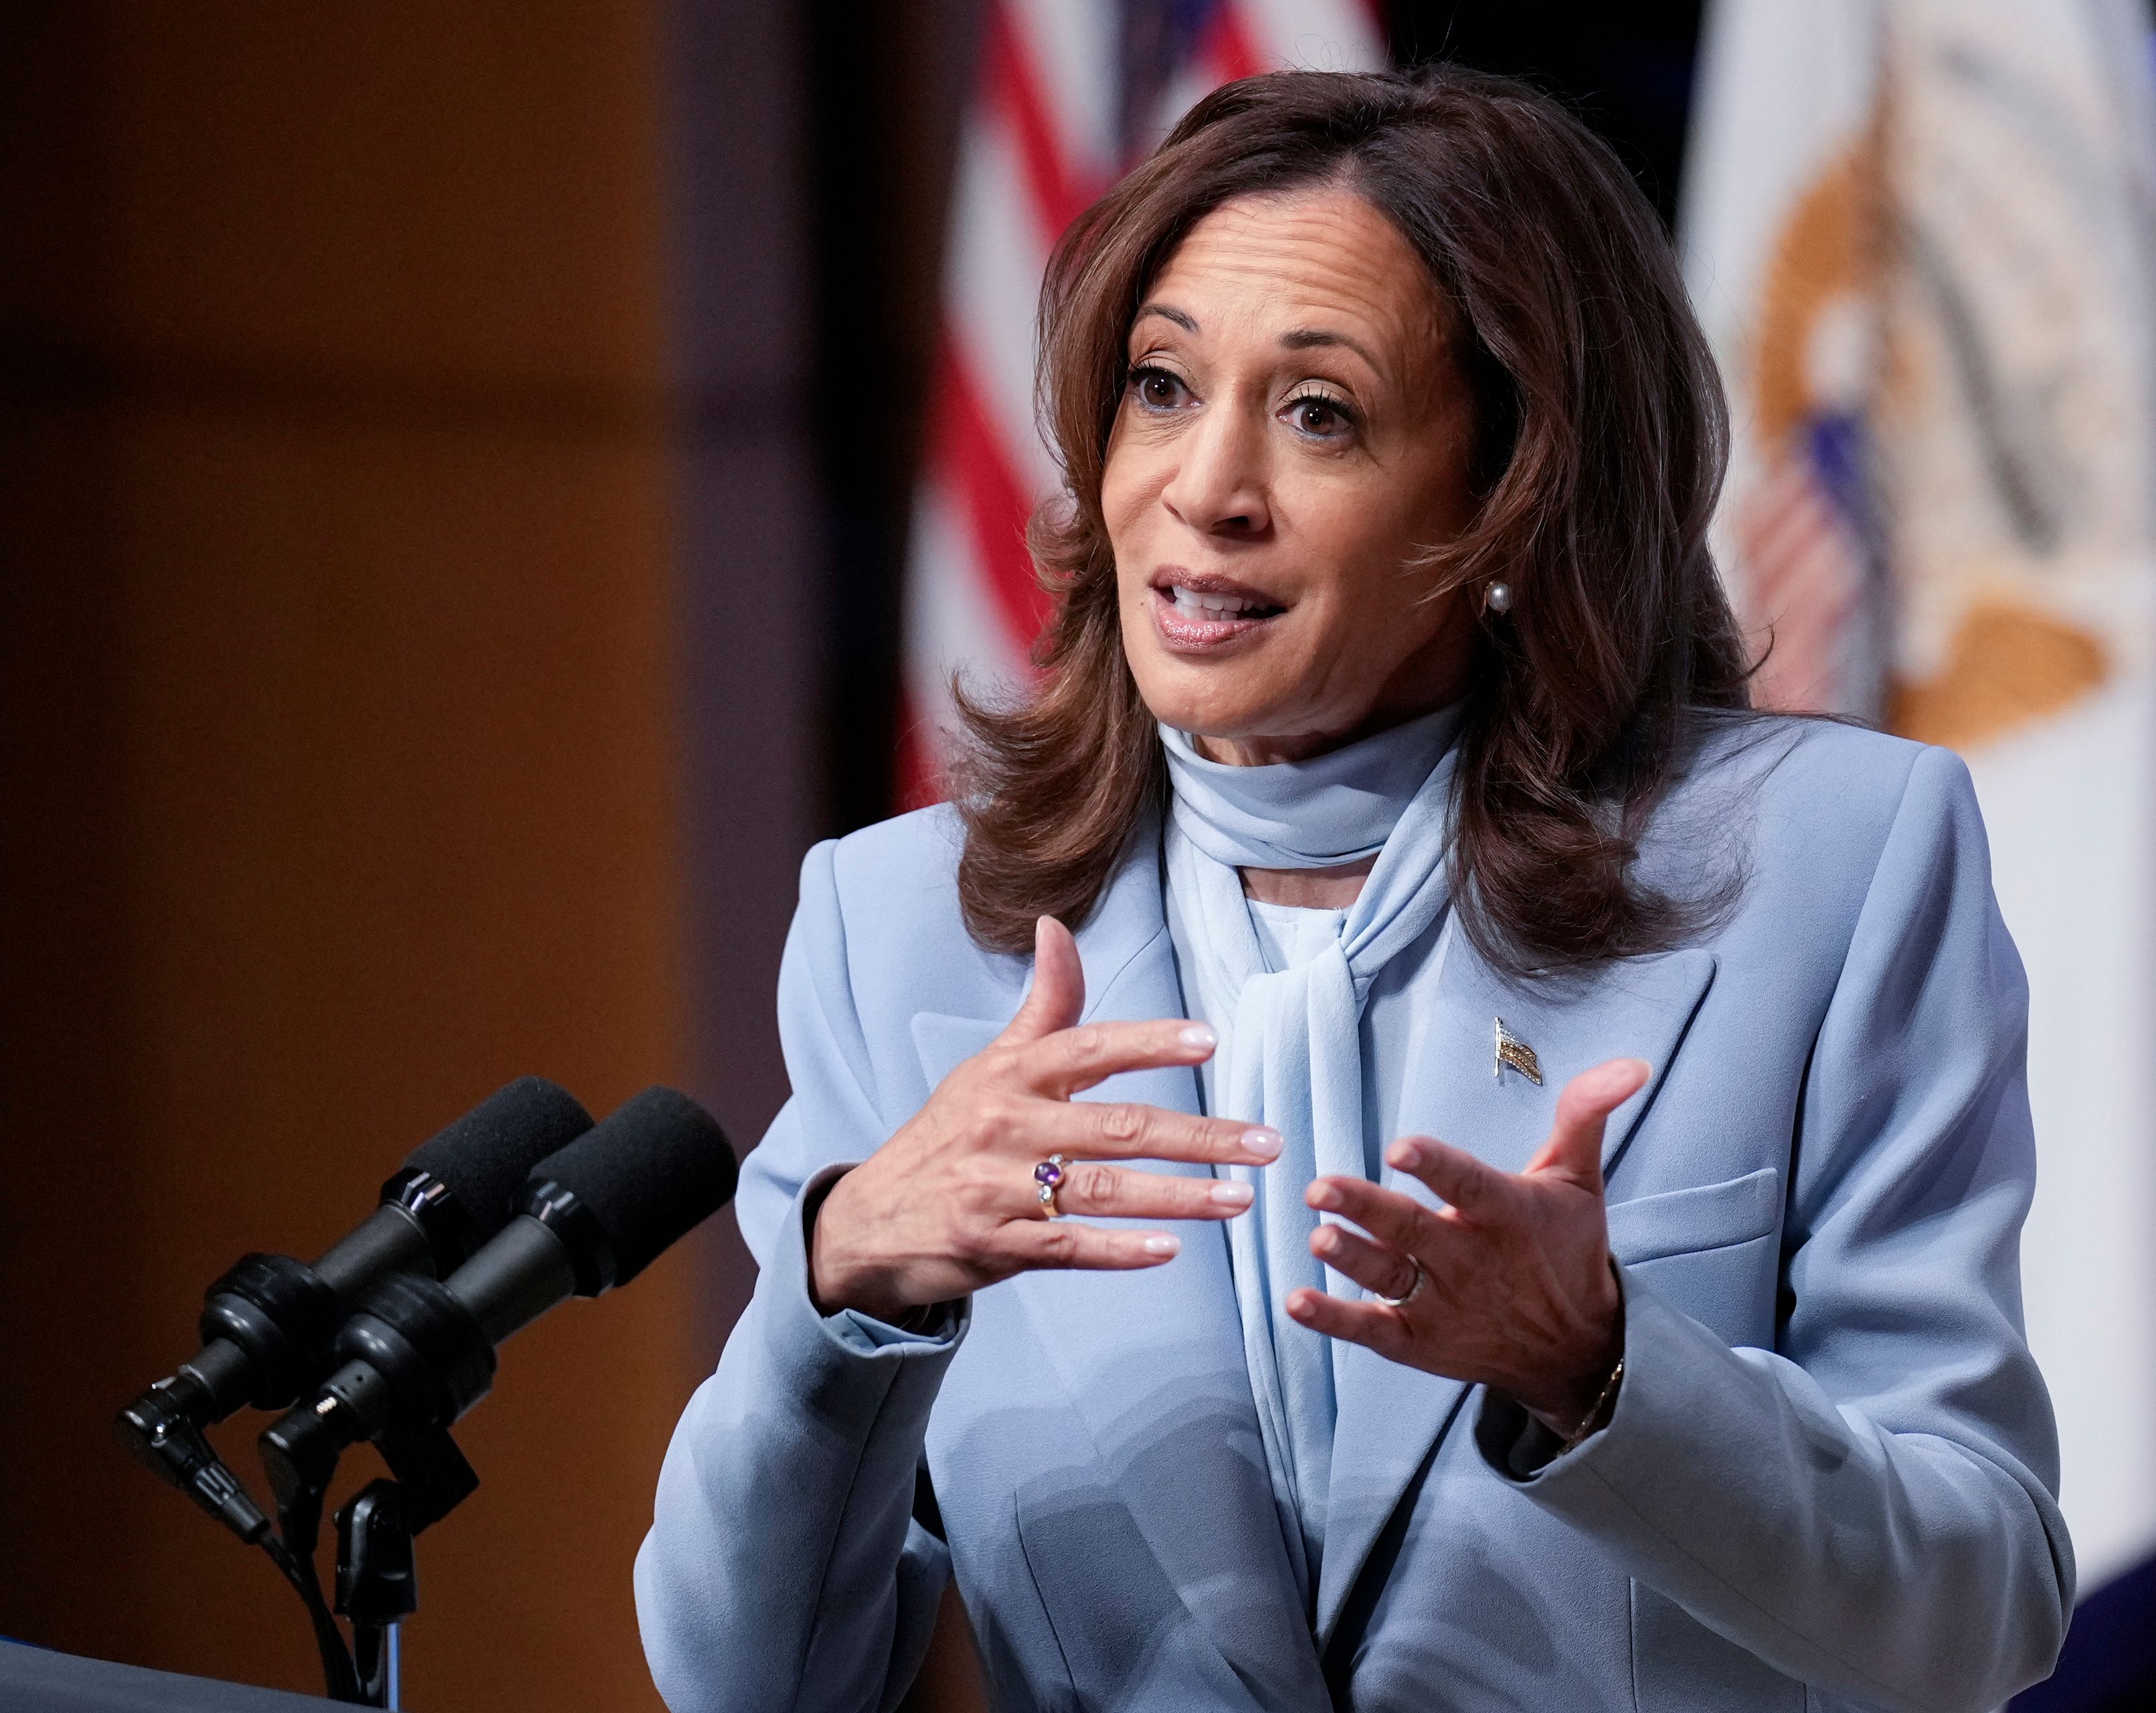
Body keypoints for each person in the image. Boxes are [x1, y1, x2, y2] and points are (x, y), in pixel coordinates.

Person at [637, 67, 2073, 1713]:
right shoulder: (909, 926)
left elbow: (1979, 1607)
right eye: (1162, 388)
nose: (1206, 486)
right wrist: (848, 1289)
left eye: (1318, 413)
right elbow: (749, 1684)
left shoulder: (1824, 867)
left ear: (1512, 494)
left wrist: (1602, 1369)